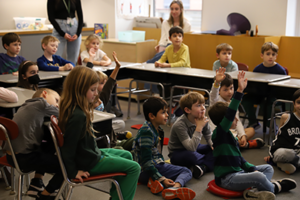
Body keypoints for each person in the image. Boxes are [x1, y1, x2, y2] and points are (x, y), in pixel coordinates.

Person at [208, 71, 297, 200]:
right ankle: (275, 187)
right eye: (233, 119)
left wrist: (252, 168)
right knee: (259, 177)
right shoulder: (220, 133)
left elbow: (239, 159)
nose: (237, 120)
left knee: (267, 168)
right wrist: (239, 90)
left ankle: (253, 192)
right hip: (227, 179)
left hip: (238, 172)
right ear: (225, 121)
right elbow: (231, 111)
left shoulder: (229, 136)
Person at [58, 60, 140, 200]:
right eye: (92, 90)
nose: (96, 93)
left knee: (127, 155)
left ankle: (116, 196)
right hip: (88, 161)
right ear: (79, 89)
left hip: (89, 154)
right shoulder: (78, 116)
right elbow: (68, 147)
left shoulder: (75, 108)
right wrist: (73, 172)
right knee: (135, 168)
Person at [3, 88, 63, 200]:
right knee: (65, 167)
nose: (57, 105)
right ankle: (46, 195)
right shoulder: (42, 103)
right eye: (56, 100)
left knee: (49, 142)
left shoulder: (26, 105)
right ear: (44, 94)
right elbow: (64, 115)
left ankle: (36, 183)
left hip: (12, 157)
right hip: (25, 158)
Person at [132, 97, 195, 200]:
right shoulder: (146, 132)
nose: (167, 115)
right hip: (146, 170)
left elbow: (157, 154)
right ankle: (174, 189)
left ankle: (153, 182)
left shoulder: (157, 129)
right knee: (186, 171)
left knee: (171, 169)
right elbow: (146, 162)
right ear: (152, 116)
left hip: (149, 169)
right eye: (163, 112)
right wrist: (162, 177)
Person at [209, 67, 265, 149]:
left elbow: (237, 121)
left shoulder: (232, 102)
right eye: (225, 90)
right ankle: (247, 145)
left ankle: (240, 142)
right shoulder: (216, 102)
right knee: (228, 138)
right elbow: (213, 94)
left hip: (233, 131)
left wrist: (242, 135)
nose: (230, 92)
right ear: (219, 91)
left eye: (231, 88)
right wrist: (217, 83)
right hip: (220, 133)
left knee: (251, 130)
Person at [168, 92, 214, 179]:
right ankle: (211, 162)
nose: (203, 108)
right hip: (178, 152)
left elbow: (208, 135)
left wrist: (213, 145)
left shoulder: (203, 118)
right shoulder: (179, 124)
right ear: (187, 110)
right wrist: (199, 128)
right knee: (192, 156)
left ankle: (203, 168)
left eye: (203, 105)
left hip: (195, 146)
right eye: (198, 105)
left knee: (217, 147)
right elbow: (191, 148)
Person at [242, 42, 287, 129]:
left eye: (273, 54)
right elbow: (254, 84)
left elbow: (283, 88)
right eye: (268, 54)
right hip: (259, 94)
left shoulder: (280, 70)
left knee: (266, 103)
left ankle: (270, 124)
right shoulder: (257, 69)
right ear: (262, 55)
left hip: (274, 96)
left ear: (276, 56)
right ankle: (253, 122)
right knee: (246, 99)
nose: (270, 56)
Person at [264, 89, 300, 175]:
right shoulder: (286, 117)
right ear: (294, 104)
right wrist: (272, 154)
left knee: (294, 154)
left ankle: (282, 164)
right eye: (299, 102)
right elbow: (278, 136)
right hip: (283, 151)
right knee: (289, 153)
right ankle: (279, 161)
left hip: (297, 152)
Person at [47, 0, 83, 65]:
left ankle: (71, 74)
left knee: (73, 58)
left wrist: (78, 33)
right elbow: (51, 17)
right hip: (59, 29)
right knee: (55, 56)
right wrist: (62, 33)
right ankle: (57, 74)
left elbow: (81, 17)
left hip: (74, 27)